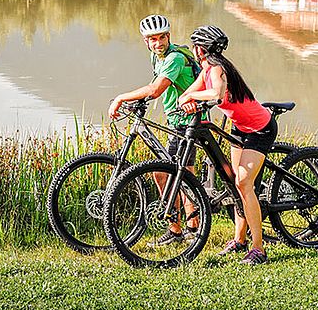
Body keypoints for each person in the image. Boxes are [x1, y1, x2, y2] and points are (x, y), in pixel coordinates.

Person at [178, 25, 277, 265]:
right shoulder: (207, 69)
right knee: (235, 182)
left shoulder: (218, 69)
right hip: (240, 129)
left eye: (195, 46)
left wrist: (193, 97)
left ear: (200, 49)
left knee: (244, 183)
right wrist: (186, 100)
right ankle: (239, 240)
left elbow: (217, 94)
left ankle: (258, 250)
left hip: (260, 130)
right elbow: (187, 94)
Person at [108, 14, 201, 245]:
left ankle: (192, 229)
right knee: (161, 173)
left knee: (185, 175)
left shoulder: (175, 58)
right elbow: (157, 84)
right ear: (146, 41)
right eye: (153, 39)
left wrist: (121, 98)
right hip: (174, 120)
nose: (158, 43)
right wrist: (137, 101)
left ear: (168, 36)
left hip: (188, 120)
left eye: (162, 37)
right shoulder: (156, 57)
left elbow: (156, 89)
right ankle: (176, 228)